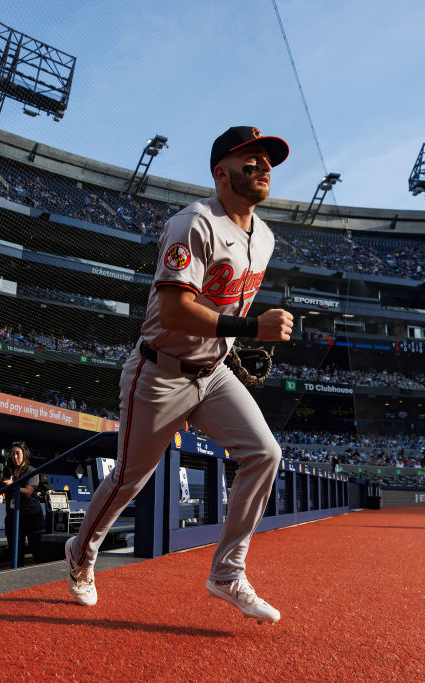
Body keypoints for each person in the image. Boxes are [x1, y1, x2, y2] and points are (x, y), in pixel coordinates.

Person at [64, 126, 293, 625]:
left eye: (267, 160)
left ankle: (227, 573)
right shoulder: (192, 223)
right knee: (129, 478)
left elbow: (221, 306)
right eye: (250, 161)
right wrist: (251, 327)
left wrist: (229, 348)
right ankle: (81, 552)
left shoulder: (267, 237)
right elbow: (173, 311)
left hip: (212, 376)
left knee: (265, 453)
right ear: (221, 172)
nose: (263, 168)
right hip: (160, 372)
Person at [0, 441, 46, 565]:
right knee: (16, 556)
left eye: (18, 453)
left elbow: (28, 491)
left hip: (32, 518)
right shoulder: (7, 471)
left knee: (38, 554)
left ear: (25, 454)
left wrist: (12, 486)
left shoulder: (31, 471)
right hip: (13, 518)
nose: (15, 457)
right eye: (12, 454)